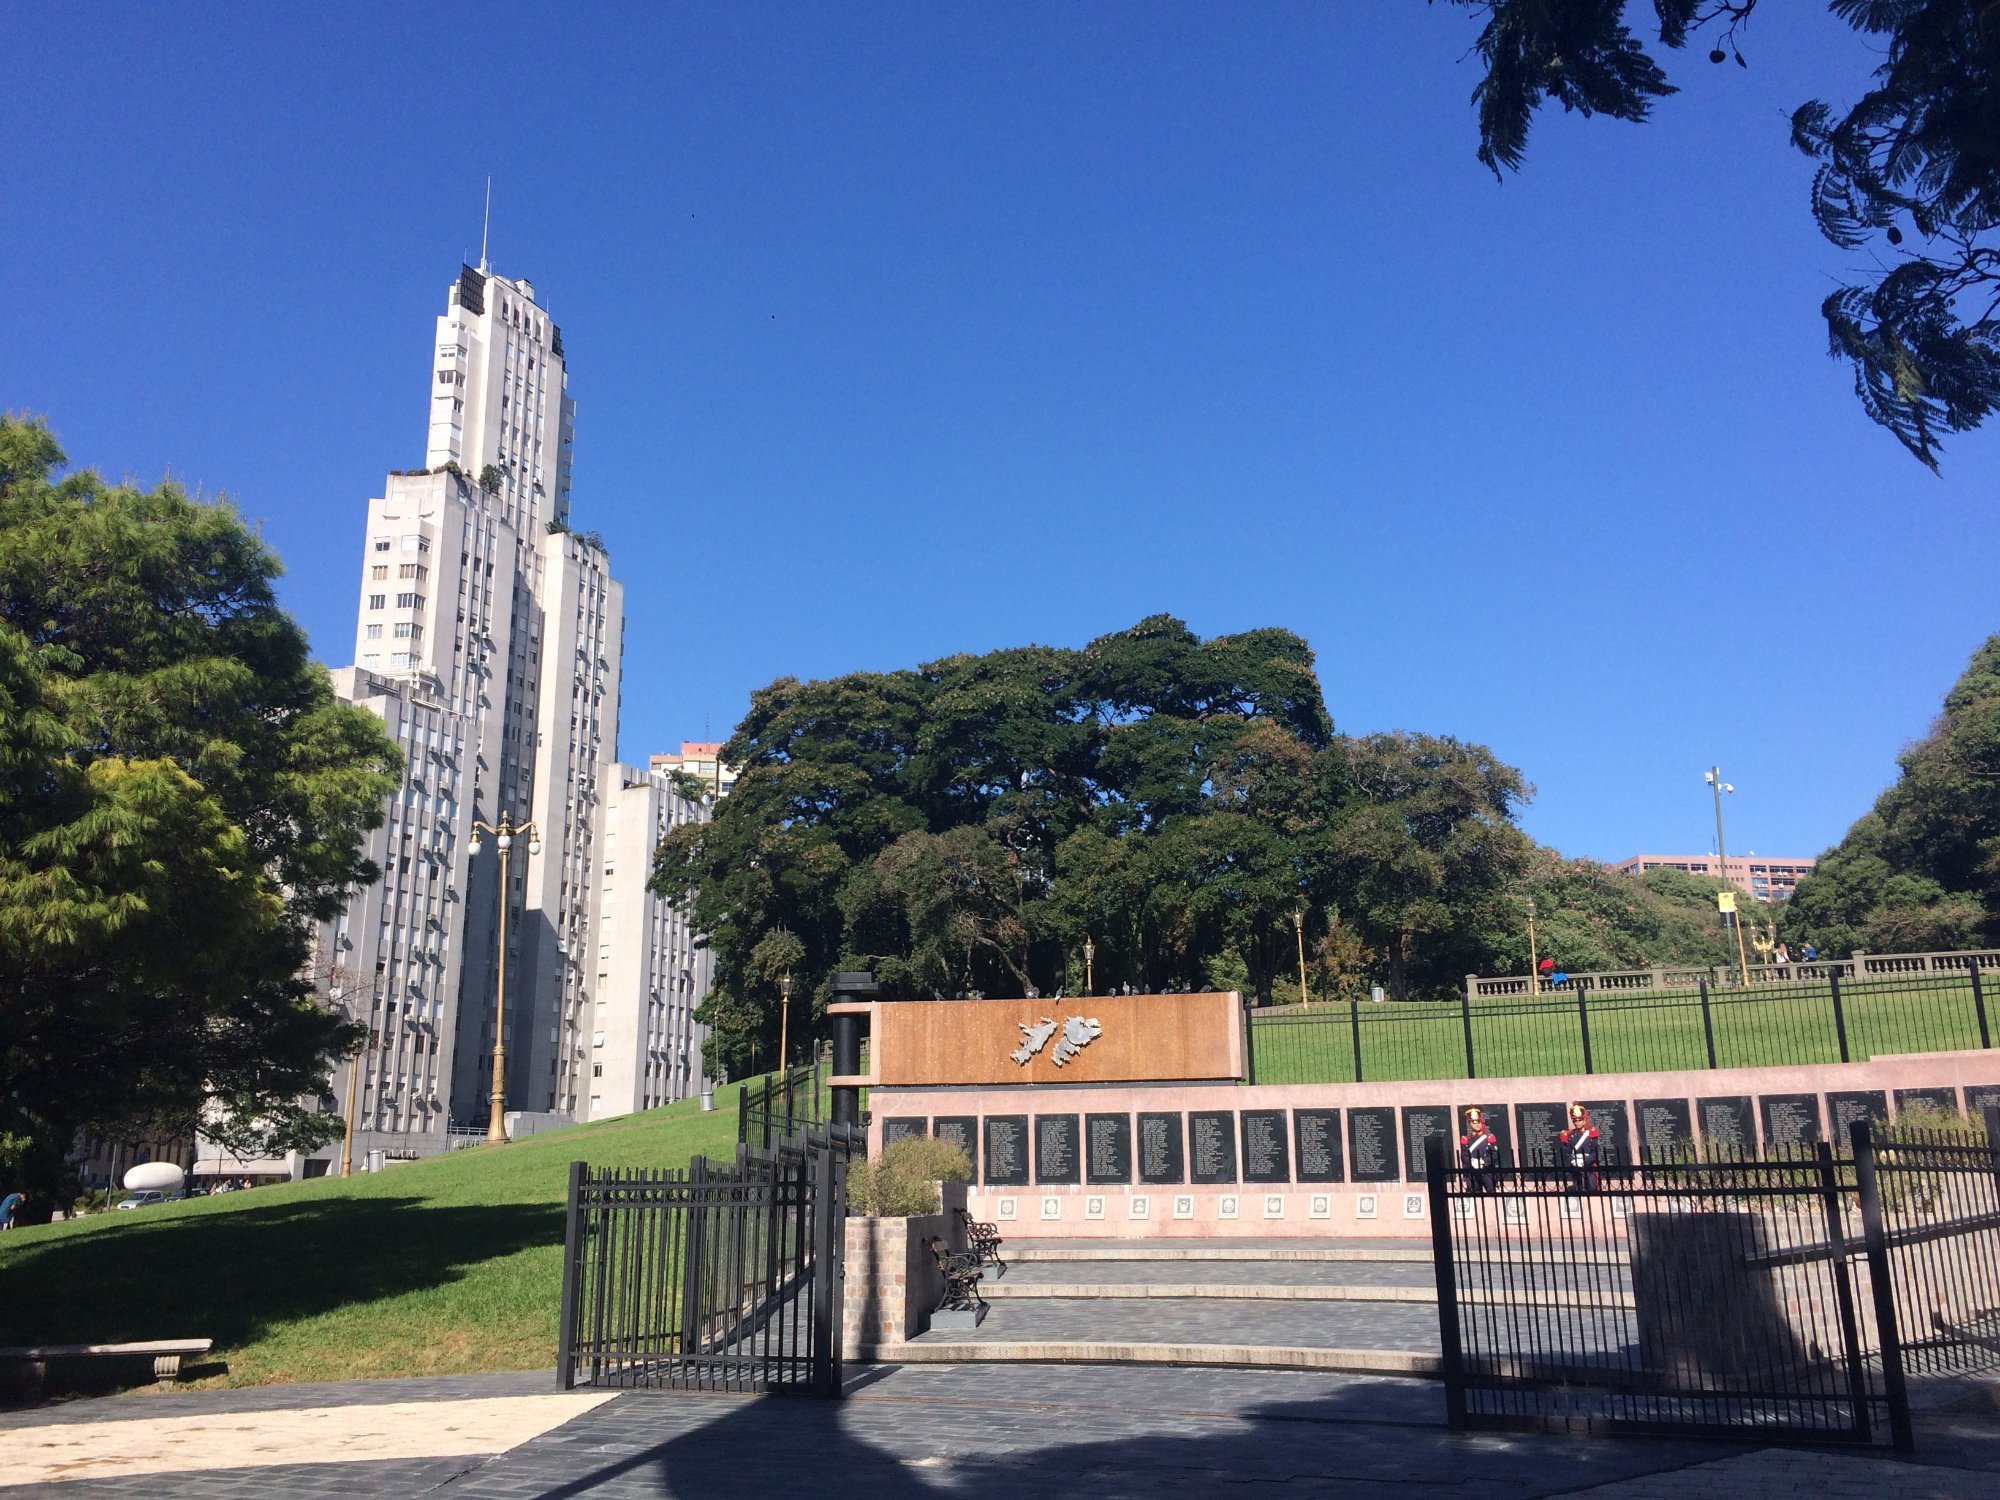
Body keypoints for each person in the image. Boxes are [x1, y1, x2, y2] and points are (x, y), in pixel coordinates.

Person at [1558, 1102, 1601, 1194]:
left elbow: (1595, 1152)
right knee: (1577, 1190)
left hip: (1589, 1168)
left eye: (1580, 1120)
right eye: (1575, 1120)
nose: (1577, 1122)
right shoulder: (1569, 1135)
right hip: (1576, 1167)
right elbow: (1567, 1152)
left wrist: (1586, 1161)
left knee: (1592, 1190)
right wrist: (1573, 1160)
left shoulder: (1591, 1134)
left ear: (1585, 1120)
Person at [1459, 1108, 1501, 1194]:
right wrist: (1472, 1163)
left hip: (1487, 1172)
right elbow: (1464, 1156)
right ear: (1470, 1124)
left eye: (1478, 1121)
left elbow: (1494, 1154)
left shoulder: (1489, 1138)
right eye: (1473, 1122)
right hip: (1473, 1173)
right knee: (1474, 1197)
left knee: (1492, 1196)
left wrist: (1484, 1162)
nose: (1477, 1124)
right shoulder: (1466, 1139)